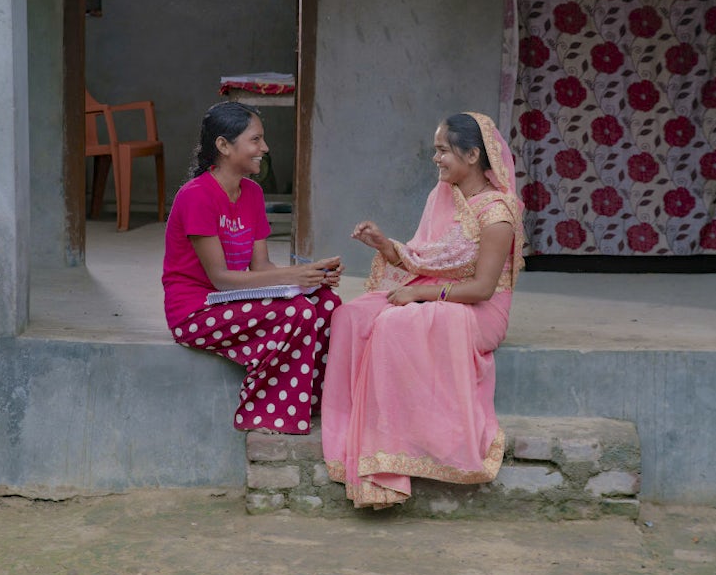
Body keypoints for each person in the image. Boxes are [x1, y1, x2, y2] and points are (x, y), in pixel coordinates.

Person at [321, 112, 525, 508]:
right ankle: (353, 436)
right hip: (436, 292)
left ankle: (390, 451)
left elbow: (483, 288)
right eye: (436, 150)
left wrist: (421, 297)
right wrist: (384, 245)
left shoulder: (498, 213)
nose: (436, 158)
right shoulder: (442, 196)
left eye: (443, 150)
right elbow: (423, 258)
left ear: (471, 155)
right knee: (350, 316)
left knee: (397, 324)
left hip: (479, 309)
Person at [162, 101, 343, 434]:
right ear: (223, 146)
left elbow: (261, 267)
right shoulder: (196, 196)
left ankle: (310, 402)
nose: (265, 148)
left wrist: (311, 280)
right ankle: (266, 414)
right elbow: (221, 280)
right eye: (256, 140)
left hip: (230, 301)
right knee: (297, 312)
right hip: (196, 311)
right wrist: (293, 276)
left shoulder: (253, 193)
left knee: (327, 304)